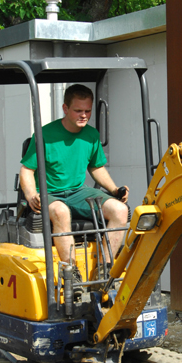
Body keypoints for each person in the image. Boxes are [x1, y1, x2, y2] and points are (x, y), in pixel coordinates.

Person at [19, 84, 129, 267]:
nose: (84, 115)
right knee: (61, 211)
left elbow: (96, 168)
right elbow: (26, 170)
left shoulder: (91, 135)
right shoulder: (45, 134)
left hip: (78, 192)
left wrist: (115, 189)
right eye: (78, 110)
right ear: (65, 108)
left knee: (121, 210)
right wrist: (31, 195)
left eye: (87, 111)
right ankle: (71, 274)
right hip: (49, 194)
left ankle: (105, 271)